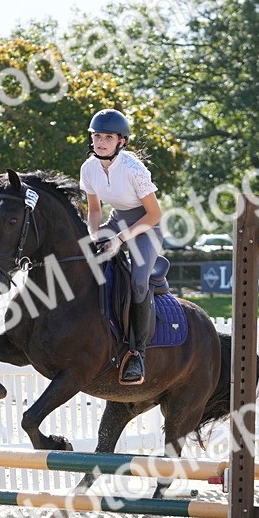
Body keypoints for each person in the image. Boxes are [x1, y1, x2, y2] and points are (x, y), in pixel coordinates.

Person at [79, 108, 163, 385]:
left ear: (121, 142)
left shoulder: (133, 170)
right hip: (116, 221)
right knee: (81, 260)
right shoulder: (89, 168)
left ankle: (138, 353)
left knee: (139, 281)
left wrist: (119, 239)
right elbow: (94, 210)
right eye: (97, 136)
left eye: (108, 137)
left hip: (144, 227)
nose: (100, 142)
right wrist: (93, 236)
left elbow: (154, 215)